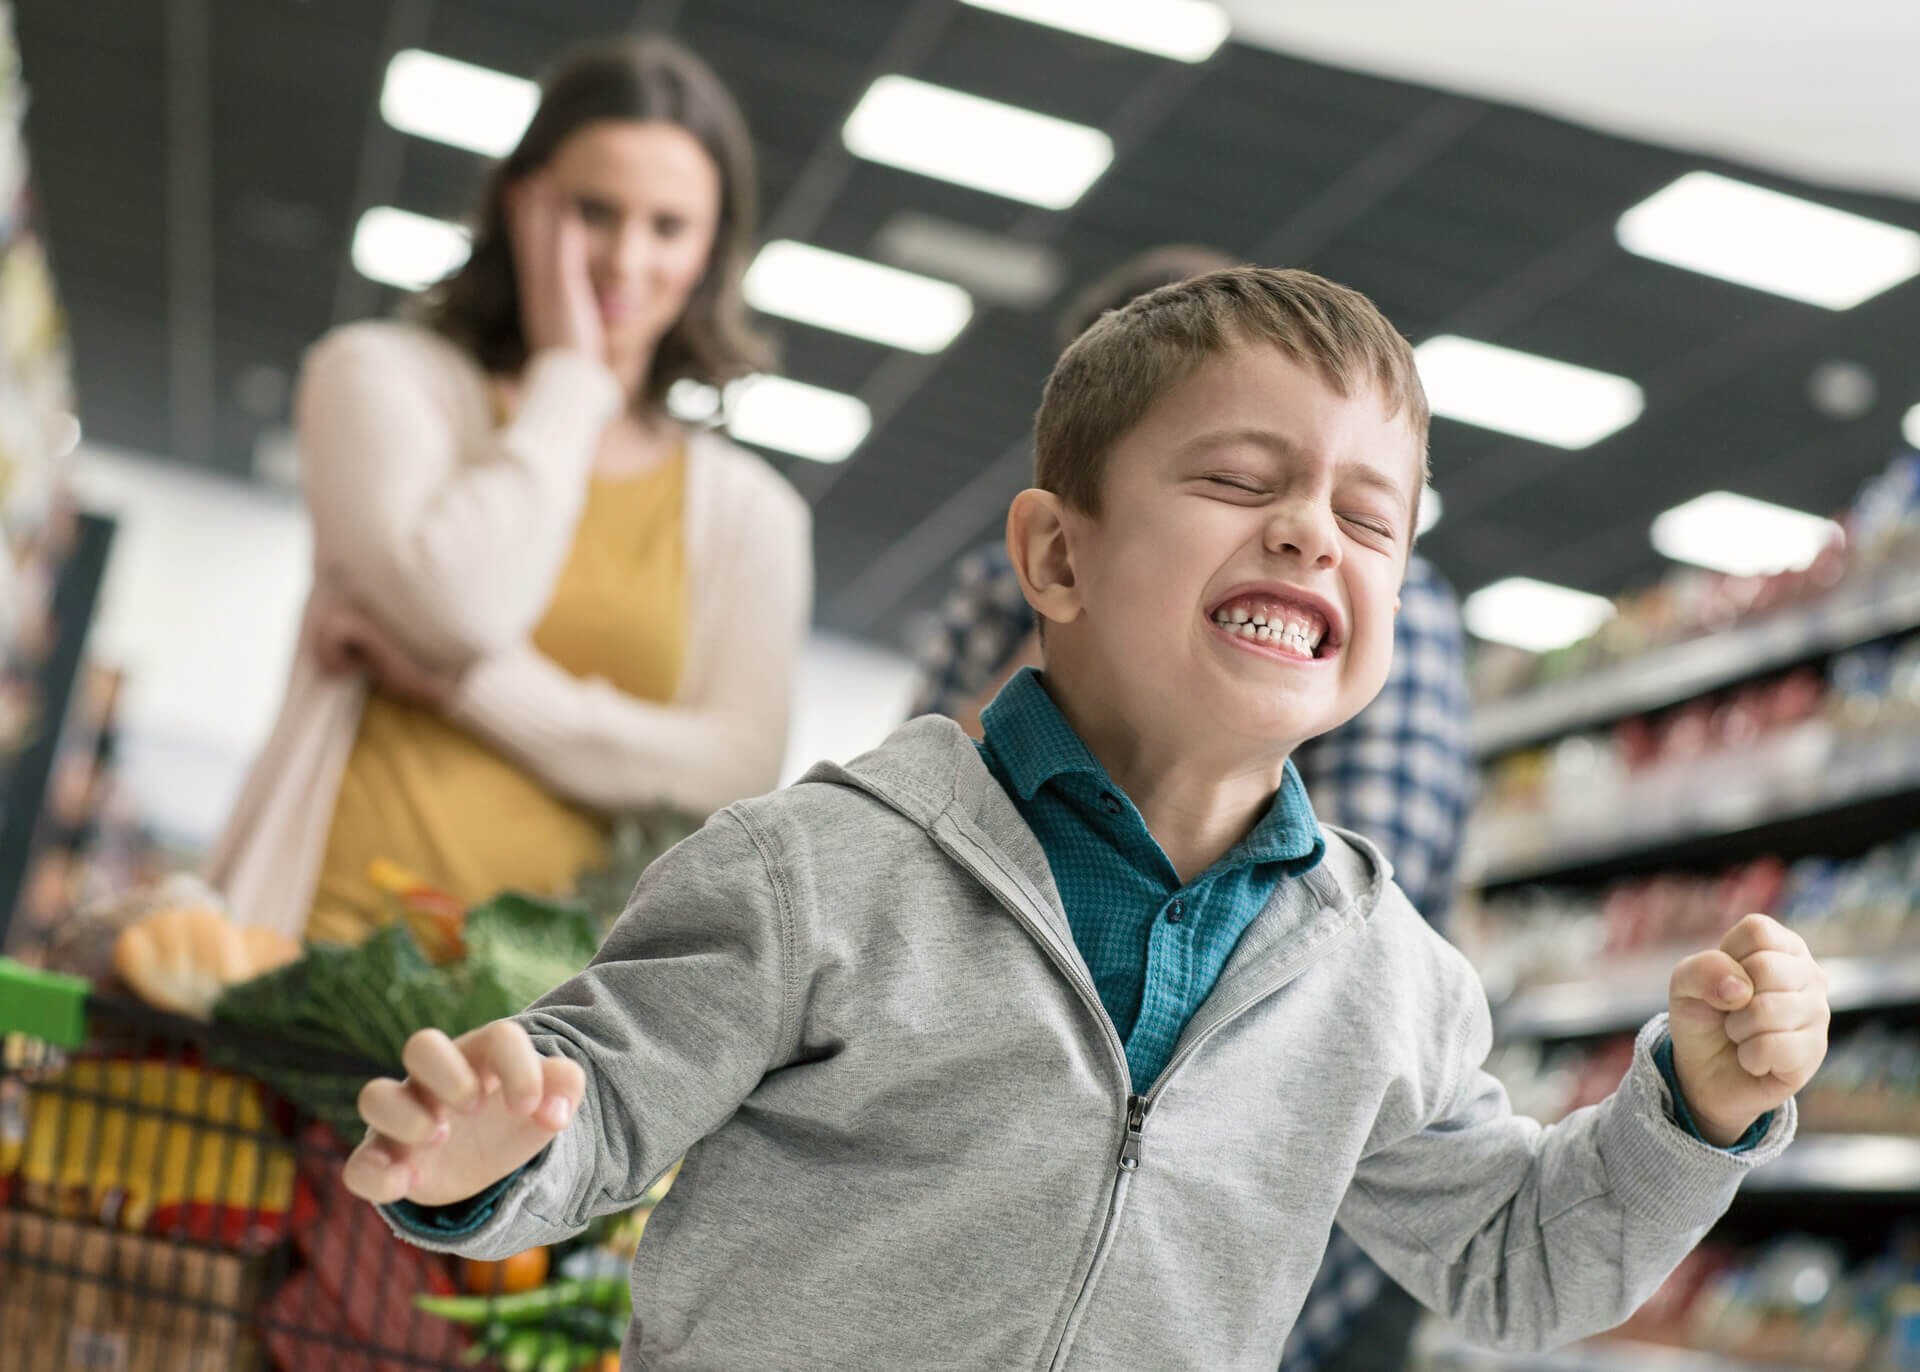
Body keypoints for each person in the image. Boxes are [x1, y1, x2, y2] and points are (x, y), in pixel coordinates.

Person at [343, 269, 1827, 1369]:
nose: (1314, 527)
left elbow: (1518, 1263)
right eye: (1243, 482)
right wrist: (494, 1147)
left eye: (1372, 520)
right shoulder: (823, 868)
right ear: (1058, 556)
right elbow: (601, 1096)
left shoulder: (1384, 981)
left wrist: (1692, 1114)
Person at [915, 247, 1474, 1372]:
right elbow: (921, 816)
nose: (1295, 523)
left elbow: (1338, 925)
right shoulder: (998, 588)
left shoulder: (1375, 618)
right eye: (1217, 477)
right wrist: (1092, 625)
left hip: (1304, 1247)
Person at [208, 38, 811, 942]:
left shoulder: (752, 513)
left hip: (559, 1029)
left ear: (712, 251)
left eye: (668, 227)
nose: (624, 261)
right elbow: (462, 608)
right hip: (319, 951)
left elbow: (737, 768)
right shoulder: (380, 379)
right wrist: (572, 373)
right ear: (521, 202)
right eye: (593, 213)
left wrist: (459, 688)